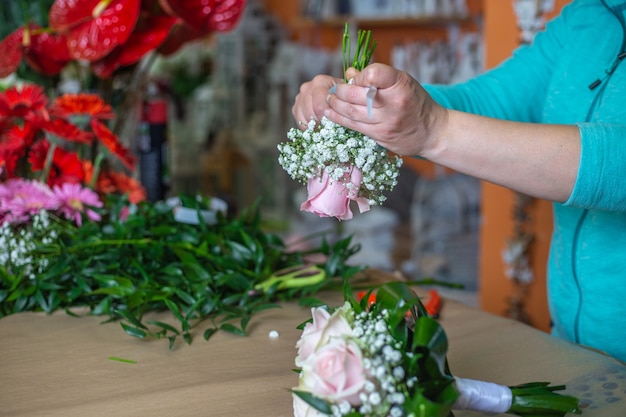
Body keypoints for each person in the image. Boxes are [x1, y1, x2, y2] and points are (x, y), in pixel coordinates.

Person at [290, 0, 626, 363]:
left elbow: (614, 160)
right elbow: (489, 101)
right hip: (576, 351)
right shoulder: (590, 15)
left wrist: (433, 128)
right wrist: (373, 108)